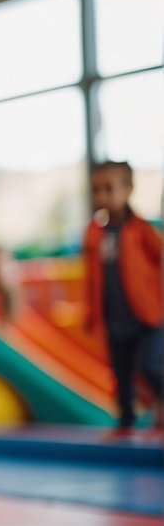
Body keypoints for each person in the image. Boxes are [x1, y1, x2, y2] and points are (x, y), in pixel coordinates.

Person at [83, 160, 163, 436]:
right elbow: (92, 278)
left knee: (150, 366)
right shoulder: (94, 233)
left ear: (128, 190)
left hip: (146, 316)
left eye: (108, 189)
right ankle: (126, 422)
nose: (101, 196)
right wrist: (91, 313)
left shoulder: (141, 229)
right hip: (115, 319)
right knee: (121, 375)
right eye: (96, 190)